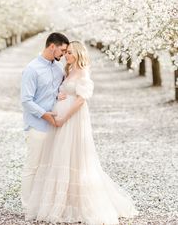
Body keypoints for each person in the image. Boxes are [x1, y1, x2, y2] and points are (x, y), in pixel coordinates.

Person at [24, 41, 139, 225]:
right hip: (59, 121)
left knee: (74, 157)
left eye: (70, 53)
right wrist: (56, 98)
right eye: (66, 52)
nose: (66, 56)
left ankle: (77, 203)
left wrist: (64, 118)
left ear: (78, 54)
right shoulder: (67, 72)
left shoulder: (83, 72)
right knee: (59, 157)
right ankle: (58, 201)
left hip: (73, 121)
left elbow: (80, 101)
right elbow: (60, 92)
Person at [21, 32, 69, 209]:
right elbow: (26, 100)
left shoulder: (58, 68)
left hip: (55, 126)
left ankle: (41, 203)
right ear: (52, 46)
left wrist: (62, 95)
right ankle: (27, 206)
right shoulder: (32, 69)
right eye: (62, 50)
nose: (63, 54)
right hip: (38, 125)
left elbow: (57, 91)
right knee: (32, 167)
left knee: (48, 167)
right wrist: (45, 115)